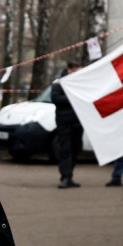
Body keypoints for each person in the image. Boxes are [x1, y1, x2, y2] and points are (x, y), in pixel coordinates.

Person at [51, 61, 83, 189]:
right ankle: (65, 177)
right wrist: (73, 97)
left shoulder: (80, 82)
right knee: (65, 150)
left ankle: (70, 176)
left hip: (77, 121)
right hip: (64, 121)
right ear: (69, 69)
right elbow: (56, 99)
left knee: (76, 149)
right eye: (76, 70)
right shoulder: (58, 82)